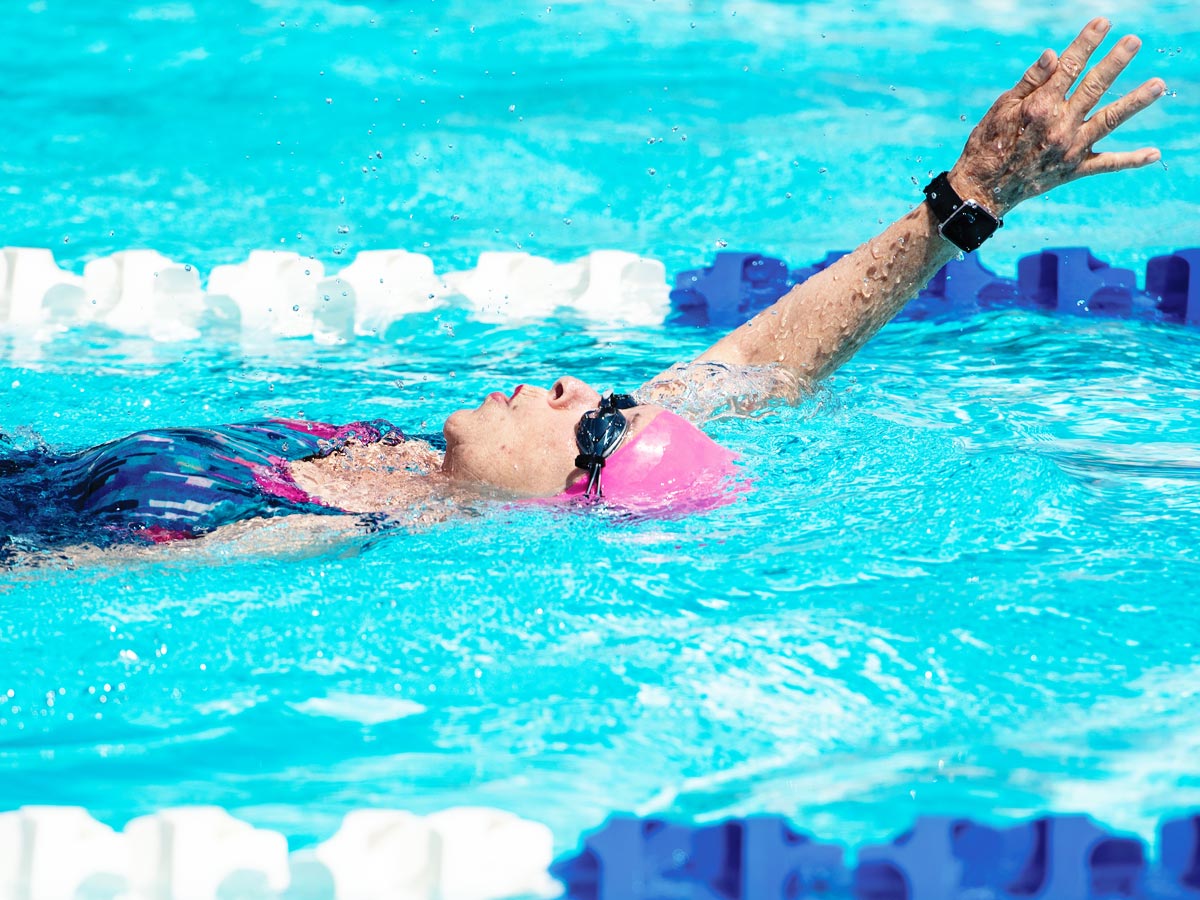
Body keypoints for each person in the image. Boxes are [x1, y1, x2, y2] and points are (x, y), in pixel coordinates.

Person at [0, 19, 1167, 555]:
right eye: (599, 392)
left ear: (565, 501)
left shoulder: (299, 541)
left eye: (596, 420)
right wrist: (969, 197)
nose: (570, 384)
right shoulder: (396, 451)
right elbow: (757, 363)